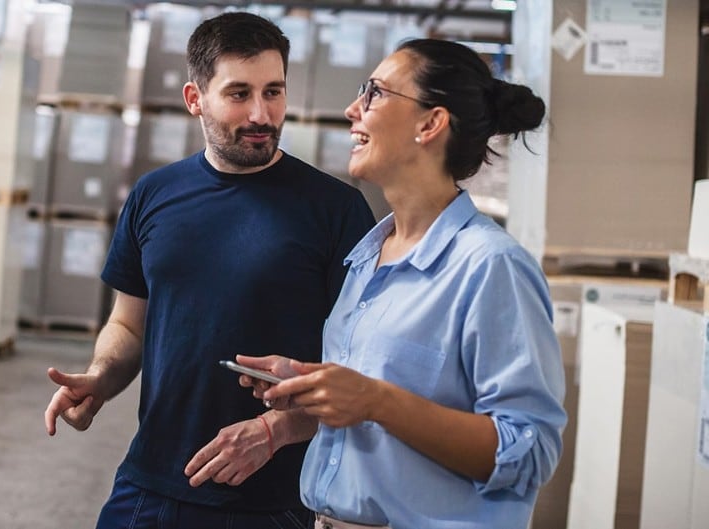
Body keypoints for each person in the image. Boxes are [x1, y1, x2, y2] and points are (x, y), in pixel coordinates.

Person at [42, 12, 375, 529]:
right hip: (150, 482)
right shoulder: (154, 196)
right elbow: (130, 323)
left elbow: (362, 367)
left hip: (275, 499)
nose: (262, 113)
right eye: (239, 93)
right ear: (195, 99)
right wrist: (101, 377)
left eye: (274, 91)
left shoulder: (336, 211)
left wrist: (274, 429)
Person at [235, 39, 566, 529]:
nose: (352, 110)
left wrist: (376, 400)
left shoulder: (490, 266)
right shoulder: (369, 258)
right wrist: (317, 393)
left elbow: (529, 454)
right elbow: (377, 407)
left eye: (374, 94)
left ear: (430, 124)